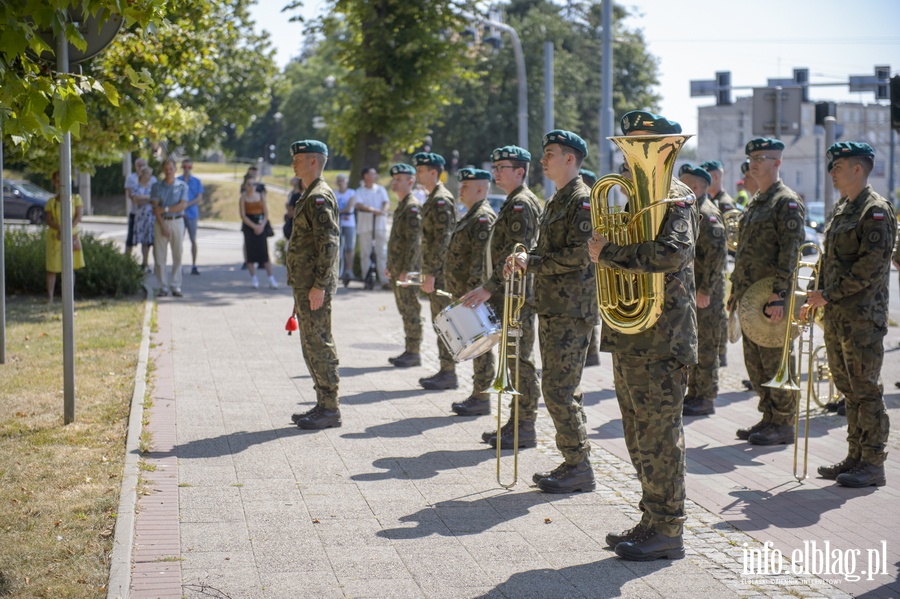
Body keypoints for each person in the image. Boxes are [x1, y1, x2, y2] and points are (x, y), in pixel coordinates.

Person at [588, 110, 697, 561]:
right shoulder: (621, 195)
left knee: (660, 434)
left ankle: (669, 528)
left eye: (642, 145)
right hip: (629, 333)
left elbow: (673, 253)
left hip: (664, 336)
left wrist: (609, 251)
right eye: (629, 144)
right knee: (636, 434)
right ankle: (652, 516)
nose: (632, 154)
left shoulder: (677, 198)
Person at [507, 130, 597, 494]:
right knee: (563, 389)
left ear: (570, 160)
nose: (542, 160)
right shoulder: (559, 199)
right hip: (556, 305)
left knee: (558, 389)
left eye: (550, 153)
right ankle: (575, 461)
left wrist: (534, 261)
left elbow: (581, 253)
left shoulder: (583, 200)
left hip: (572, 308)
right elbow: (550, 248)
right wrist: (525, 255)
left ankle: (579, 466)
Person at [804, 142, 895, 488]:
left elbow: (870, 267)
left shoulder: (875, 210)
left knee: (865, 388)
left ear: (857, 169)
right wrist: (815, 295)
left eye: (837, 166)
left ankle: (873, 462)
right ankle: (855, 455)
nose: (831, 173)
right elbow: (829, 262)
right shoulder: (843, 208)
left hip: (862, 317)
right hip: (838, 315)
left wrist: (827, 294)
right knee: (847, 388)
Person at [461, 145, 543, 447]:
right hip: (508, 294)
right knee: (513, 361)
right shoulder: (513, 202)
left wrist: (488, 286)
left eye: (502, 168)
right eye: (494, 168)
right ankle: (517, 423)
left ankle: (524, 426)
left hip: (517, 296)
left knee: (519, 362)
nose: (496, 172)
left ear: (520, 172)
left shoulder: (521, 204)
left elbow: (517, 255)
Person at [728, 138, 805, 445]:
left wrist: (780, 296)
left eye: (761, 157)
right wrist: (735, 293)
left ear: (778, 162)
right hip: (750, 298)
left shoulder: (785, 201)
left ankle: (784, 423)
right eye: (751, 157)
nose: (754, 162)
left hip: (771, 298)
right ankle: (769, 417)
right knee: (756, 363)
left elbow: (790, 252)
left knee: (777, 361)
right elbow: (744, 252)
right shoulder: (756, 201)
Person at [286, 140, 342, 430]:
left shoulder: (319, 197)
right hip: (306, 284)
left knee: (319, 342)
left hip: (314, 285)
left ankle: (330, 408)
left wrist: (319, 284)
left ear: (313, 161)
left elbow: (328, 244)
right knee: (310, 343)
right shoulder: (309, 194)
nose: (293, 162)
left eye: (298, 158)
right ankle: (323, 403)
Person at [443, 168, 497, 415]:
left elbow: (480, 261)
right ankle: (479, 394)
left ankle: (482, 397)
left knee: (481, 348)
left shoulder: (482, 217)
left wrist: (474, 294)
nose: (460, 190)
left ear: (480, 189)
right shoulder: (471, 215)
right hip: (466, 294)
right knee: (476, 347)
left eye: (465, 186)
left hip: (474, 296)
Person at [678, 163, 726, 417]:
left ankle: (705, 396)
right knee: (694, 345)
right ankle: (694, 393)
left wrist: (705, 290)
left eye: (683, 183)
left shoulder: (708, 215)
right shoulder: (692, 211)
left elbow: (717, 257)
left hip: (706, 295)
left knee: (707, 346)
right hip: (694, 291)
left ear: (695, 187)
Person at [415, 152, 458, 390]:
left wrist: (431, 272)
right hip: (435, 270)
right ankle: (445, 370)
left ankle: (448, 372)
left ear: (434, 172)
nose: (417, 174)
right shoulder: (432, 198)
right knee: (439, 321)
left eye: (421, 170)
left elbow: (443, 240)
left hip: (440, 272)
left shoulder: (441, 199)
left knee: (443, 321)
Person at [385, 164, 423, 368]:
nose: (395, 182)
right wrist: (390, 265)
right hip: (399, 269)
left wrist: (408, 270)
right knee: (405, 309)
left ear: (410, 181)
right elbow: (397, 241)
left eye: (400, 179)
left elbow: (414, 242)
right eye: (394, 178)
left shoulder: (412, 206)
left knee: (411, 310)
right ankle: (410, 350)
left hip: (407, 271)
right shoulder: (402, 205)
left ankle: (414, 351)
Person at [150, 159, 189, 297]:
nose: (168, 171)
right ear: (163, 170)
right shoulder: (156, 186)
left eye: (171, 168)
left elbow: (182, 205)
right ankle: (163, 286)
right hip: (161, 222)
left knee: (177, 254)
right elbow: (155, 209)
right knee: (159, 256)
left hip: (177, 221)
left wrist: (165, 208)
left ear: (175, 169)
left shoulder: (182, 186)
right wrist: (162, 225)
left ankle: (176, 285)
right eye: (166, 169)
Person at [44, 171, 85, 302]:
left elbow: (78, 216)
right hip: (55, 236)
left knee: (70, 267)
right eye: (56, 181)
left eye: (61, 181)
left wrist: (68, 229)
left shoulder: (76, 198)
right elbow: (49, 219)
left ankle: (68, 297)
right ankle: (50, 297)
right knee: (52, 268)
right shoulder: (51, 202)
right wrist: (60, 229)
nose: (58, 184)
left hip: (71, 235)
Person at [579, 168, 602, 368]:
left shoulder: (590, 207)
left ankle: (591, 353)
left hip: (590, 268)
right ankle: (592, 353)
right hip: (590, 268)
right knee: (588, 311)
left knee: (588, 311)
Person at [355, 167, 390, 290]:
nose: (375, 176)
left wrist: (382, 211)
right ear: (365, 176)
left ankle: (384, 280)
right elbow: (359, 204)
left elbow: (386, 202)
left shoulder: (380, 190)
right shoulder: (360, 191)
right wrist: (372, 210)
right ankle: (367, 278)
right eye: (372, 174)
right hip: (365, 226)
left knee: (382, 253)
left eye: (375, 174)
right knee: (366, 253)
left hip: (379, 225)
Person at [239, 177, 277, 289]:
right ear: (245, 186)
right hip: (249, 226)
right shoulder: (243, 198)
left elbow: (266, 213)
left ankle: (271, 278)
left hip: (261, 224)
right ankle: (254, 278)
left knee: (264, 253)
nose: (251, 186)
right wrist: (253, 226)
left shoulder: (261, 196)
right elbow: (243, 215)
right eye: (249, 184)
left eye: (253, 184)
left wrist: (261, 226)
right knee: (250, 253)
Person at [179, 158, 205, 275]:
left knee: (193, 239)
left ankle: (194, 265)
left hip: (192, 214)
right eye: (185, 167)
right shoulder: (177, 181)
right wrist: (181, 208)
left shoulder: (196, 181)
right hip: (179, 214)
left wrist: (186, 205)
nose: (187, 170)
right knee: (179, 241)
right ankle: (178, 264)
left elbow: (199, 197)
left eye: (189, 167)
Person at [131, 165, 156, 272]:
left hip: (152, 216)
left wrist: (145, 199)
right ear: (142, 174)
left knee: (153, 241)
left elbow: (155, 200)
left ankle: (156, 264)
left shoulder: (153, 187)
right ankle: (145, 263)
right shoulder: (136, 186)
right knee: (144, 241)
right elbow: (136, 200)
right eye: (147, 174)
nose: (149, 176)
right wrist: (148, 199)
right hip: (141, 217)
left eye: (150, 174)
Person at [335, 174, 357, 285]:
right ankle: (337, 270)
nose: (340, 183)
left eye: (342, 181)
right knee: (338, 247)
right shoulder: (335, 193)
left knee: (349, 247)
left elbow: (349, 207)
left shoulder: (351, 193)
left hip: (349, 223)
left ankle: (349, 270)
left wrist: (338, 211)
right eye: (338, 181)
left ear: (346, 182)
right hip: (338, 223)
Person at [124, 157, 148, 259]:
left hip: (147, 214)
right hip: (135, 212)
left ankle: (145, 263)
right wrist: (147, 198)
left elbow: (155, 197)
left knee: (146, 240)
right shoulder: (131, 178)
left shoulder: (152, 179)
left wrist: (144, 198)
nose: (141, 168)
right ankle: (126, 261)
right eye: (139, 165)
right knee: (130, 238)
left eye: (143, 165)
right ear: (135, 167)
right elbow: (132, 197)